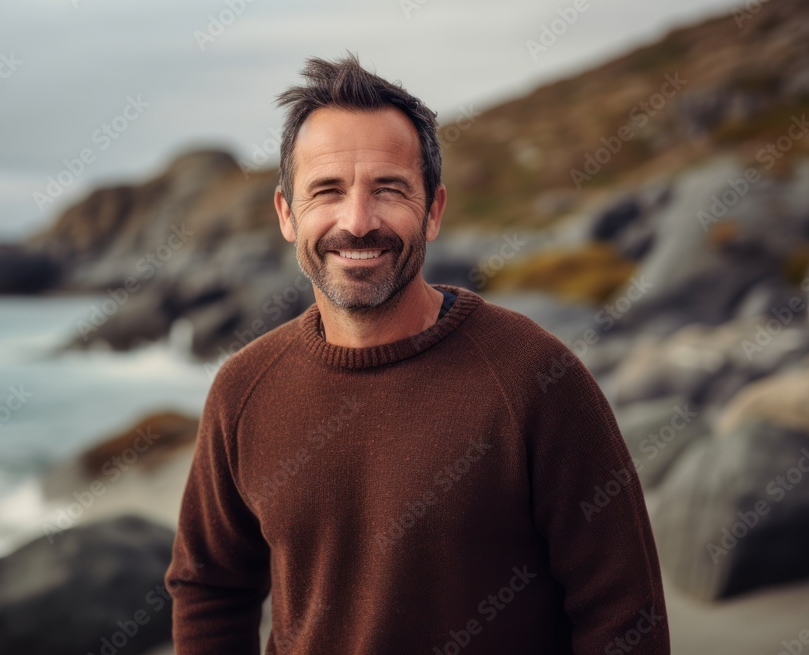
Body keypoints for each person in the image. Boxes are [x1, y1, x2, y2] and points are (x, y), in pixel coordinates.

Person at [165, 52, 669, 654]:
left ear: (432, 211)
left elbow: (623, 611)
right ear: (286, 214)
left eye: (388, 189)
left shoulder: (536, 377)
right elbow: (209, 588)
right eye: (327, 190)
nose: (356, 221)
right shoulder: (242, 390)